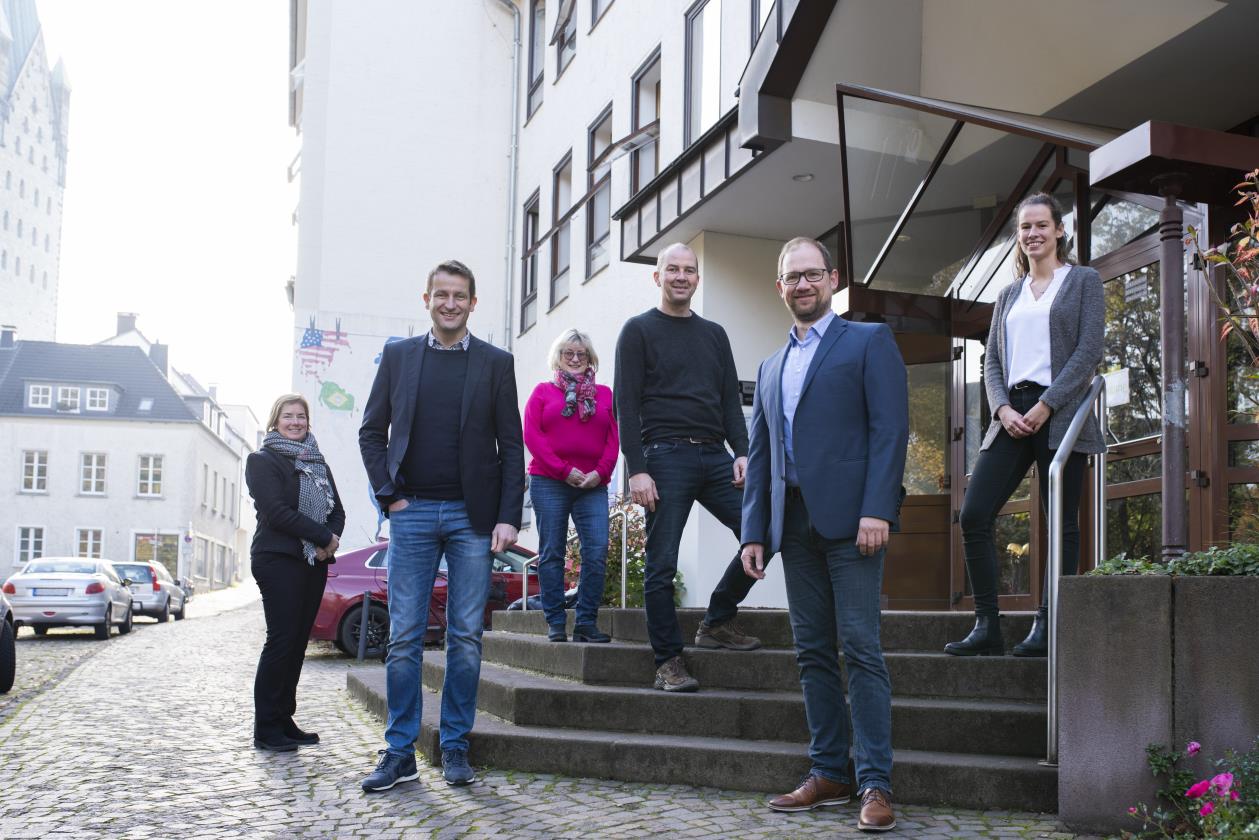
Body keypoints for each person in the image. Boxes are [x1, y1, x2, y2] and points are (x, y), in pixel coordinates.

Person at [740, 237, 907, 831]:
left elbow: (890, 429)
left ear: (833, 279)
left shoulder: (868, 341)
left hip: (854, 523)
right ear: (779, 287)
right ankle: (829, 771)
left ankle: (875, 782)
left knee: (860, 647)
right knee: (811, 651)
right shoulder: (770, 366)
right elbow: (762, 454)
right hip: (793, 526)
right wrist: (754, 531)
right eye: (793, 277)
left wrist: (878, 508)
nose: (803, 285)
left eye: (812, 274)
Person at [358, 259, 525, 791]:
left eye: (459, 296)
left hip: (473, 519)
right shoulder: (399, 357)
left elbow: (511, 446)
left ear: (473, 303)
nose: (449, 303)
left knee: (465, 637)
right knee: (404, 636)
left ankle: (455, 744)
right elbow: (371, 432)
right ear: (426, 299)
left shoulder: (496, 363)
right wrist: (390, 496)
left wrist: (508, 516)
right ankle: (399, 751)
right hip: (412, 514)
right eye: (441, 295)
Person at [945, 194, 1104, 658]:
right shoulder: (1008, 294)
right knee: (974, 515)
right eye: (1024, 228)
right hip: (1011, 414)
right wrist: (1001, 409)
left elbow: (1089, 351)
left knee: (1061, 522)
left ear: (1059, 230)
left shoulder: (1084, 281)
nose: (1032, 234)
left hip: (1060, 411)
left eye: (1041, 225)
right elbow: (992, 361)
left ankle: (1049, 624)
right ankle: (987, 625)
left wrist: (1047, 405)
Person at [614, 242, 757, 694]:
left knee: (764, 530)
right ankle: (668, 661)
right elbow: (625, 405)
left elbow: (729, 400)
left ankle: (717, 620)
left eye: (689, 270)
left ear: (697, 278)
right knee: (661, 565)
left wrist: (743, 451)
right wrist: (636, 469)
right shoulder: (637, 331)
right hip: (664, 457)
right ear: (657, 277)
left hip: (715, 455)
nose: (681, 276)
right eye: (672, 269)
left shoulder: (714, 334)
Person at [245, 393, 345, 752]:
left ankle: (284, 719)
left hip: (312, 561)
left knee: (298, 642)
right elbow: (276, 512)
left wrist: (328, 541)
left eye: (301, 416)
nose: (295, 422)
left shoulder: (318, 463)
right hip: (277, 558)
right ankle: (266, 728)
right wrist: (322, 537)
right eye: (288, 416)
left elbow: (337, 512)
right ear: (276, 421)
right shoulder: (262, 460)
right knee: (282, 640)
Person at [523, 328, 619, 643]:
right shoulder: (542, 392)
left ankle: (586, 623)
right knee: (552, 552)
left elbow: (613, 439)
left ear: (590, 359)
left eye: (581, 354)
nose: (575, 359)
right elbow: (532, 436)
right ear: (559, 357)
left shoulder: (605, 395)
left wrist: (600, 473)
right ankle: (555, 622)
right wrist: (564, 471)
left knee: (597, 550)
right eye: (569, 353)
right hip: (550, 481)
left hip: (592, 484)